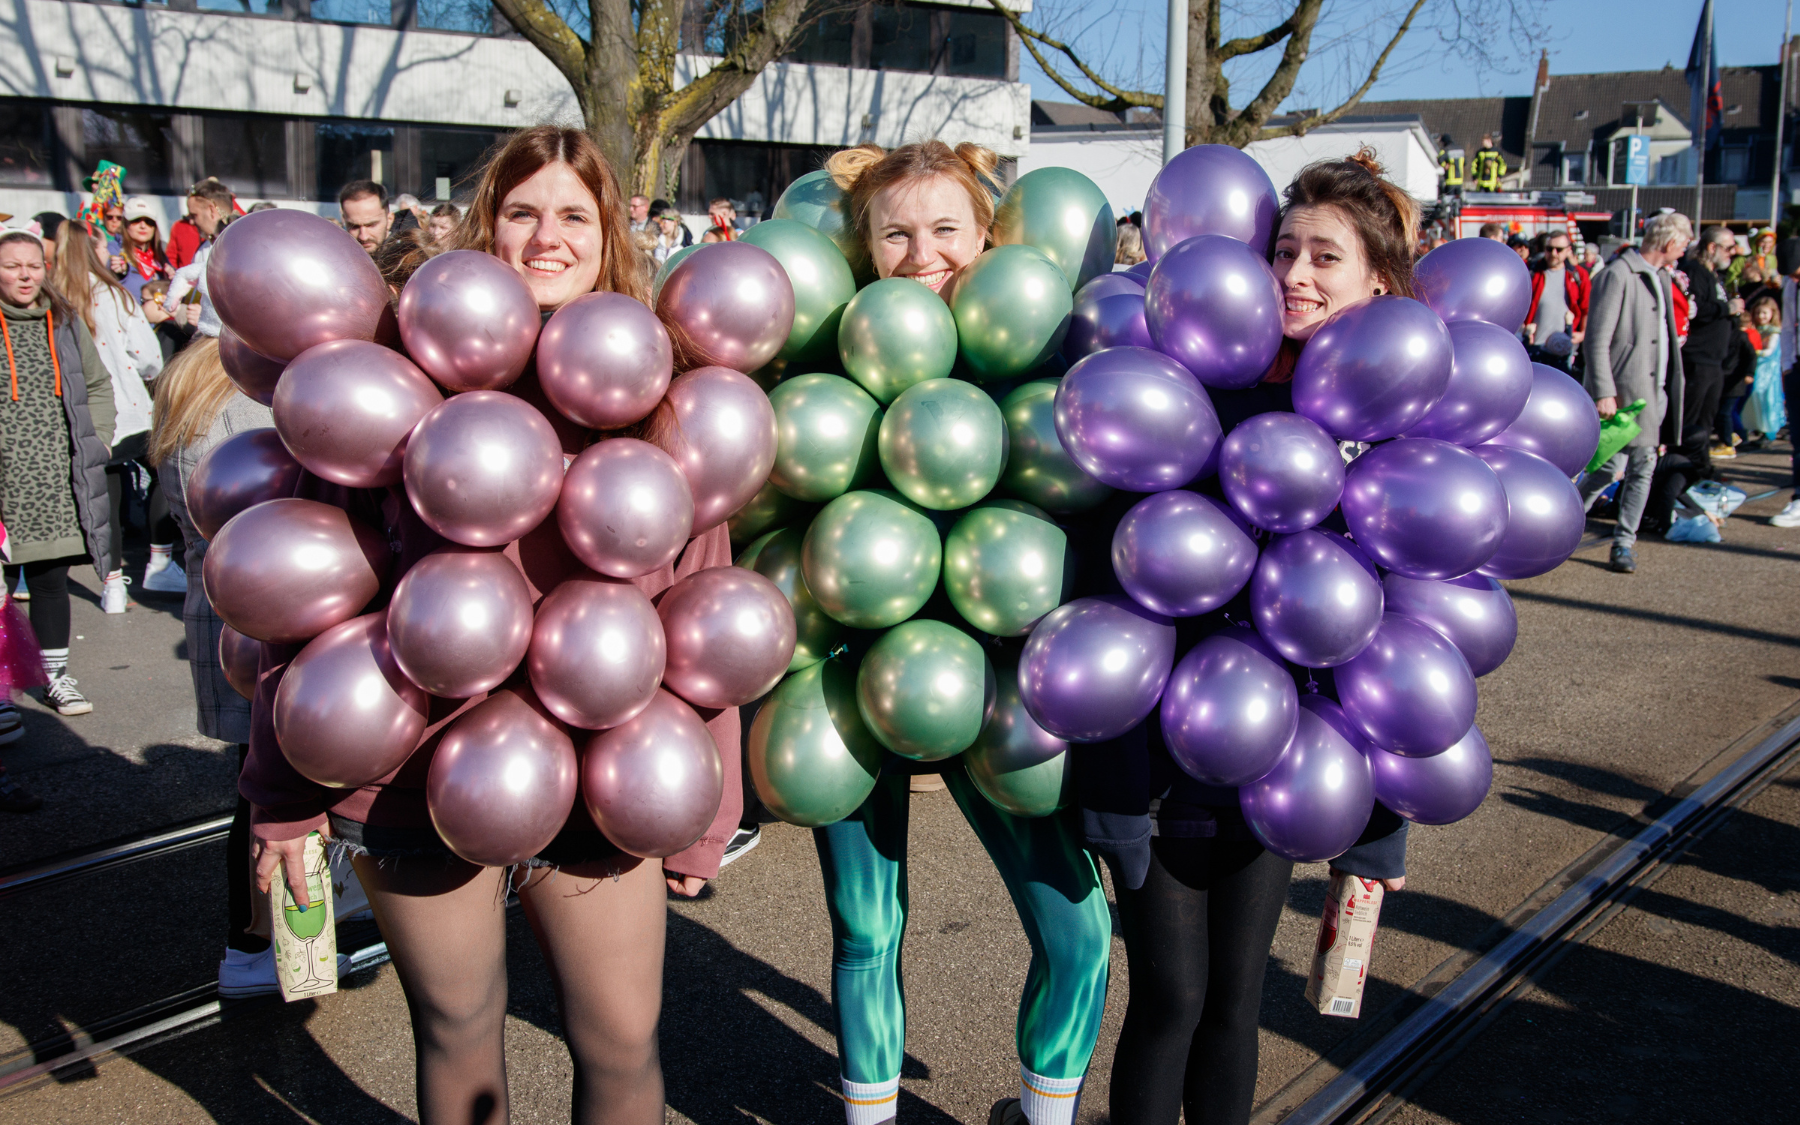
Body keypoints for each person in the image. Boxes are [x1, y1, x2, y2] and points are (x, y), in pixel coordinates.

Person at [247, 124, 739, 1125]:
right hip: (410, 765)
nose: (547, 236)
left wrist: (705, 813)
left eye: (574, 215)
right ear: (489, 225)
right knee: (459, 1031)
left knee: (622, 1041)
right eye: (522, 212)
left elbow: (706, 613)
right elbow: (298, 598)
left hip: (610, 770)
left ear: (610, 235)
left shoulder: (667, 397)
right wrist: (282, 797)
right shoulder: (390, 383)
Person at [1084, 150, 1410, 1125]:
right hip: (1163, 761)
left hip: (1287, 768)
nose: (1295, 274)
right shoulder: (1188, 390)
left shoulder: (1396, 437)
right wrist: (1112, 794)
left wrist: (1381, 829)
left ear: (1378, 285)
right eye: (1284, 249)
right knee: (1171, 998)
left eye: (1325, 257)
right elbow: (1115, 588)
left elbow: (1395, 644)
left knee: (1235, 1002)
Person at [809, 140, 1112, 1125]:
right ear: (863, 244)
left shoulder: (1043, 353)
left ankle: (1043, 1115)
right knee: (866, 929)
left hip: (996, 669)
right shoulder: (821, 353)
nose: (921, 254)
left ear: (989, 235)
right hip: (854, 665)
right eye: (895, 233)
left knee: (1079, 937)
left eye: (946, 229)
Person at [149, 336, 281, 992]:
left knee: (256, 782)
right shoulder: (245, 399)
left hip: (219, 615)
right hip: (257, 619)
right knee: (271, 790)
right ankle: (257, 942)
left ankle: (261, 941)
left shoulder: (190, 384)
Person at [0, 226, 116, 717]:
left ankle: (55, 678)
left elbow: (98, 383)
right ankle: (2, 692)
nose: (25, 275)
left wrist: (99, 441)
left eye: (34, 265)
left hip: (58, 481)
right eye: (12, 266)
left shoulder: (64, 320)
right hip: (6, 484)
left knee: (51, 582)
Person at [51, 221, 172, 613]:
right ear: (92, 249)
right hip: (126, 407)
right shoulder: (114, 294)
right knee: (164, 471)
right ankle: (160, 560)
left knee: (104, 495)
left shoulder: (51, 296)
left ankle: (112, 585)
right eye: (104, 246)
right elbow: (149, 357)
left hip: (78, 411)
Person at [1578, 210, 1690, 573]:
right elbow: (1597, 339)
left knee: (1639, 467)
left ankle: (1623, 542)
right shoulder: (1619, 274)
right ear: (1669, 242)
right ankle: (1570, 519)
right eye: (1684, 242)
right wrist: (1603, 390)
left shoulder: (1661, 276)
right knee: (1609, 467)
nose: (1685, 249)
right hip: (1626, 391)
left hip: (1654, 392)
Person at [1673, 226, 1746, 482]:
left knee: (1706, 421)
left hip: (1714, 360)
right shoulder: (1695, 272)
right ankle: (1682, 470)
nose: (1732, 253)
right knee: (1690, 422)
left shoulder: (1715, 275)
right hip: (1697, 358)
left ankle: (1701, 469)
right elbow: (1695, 310)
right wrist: (1727, 308)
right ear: (1712, 247)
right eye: (1728, 248)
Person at [1525, 229, 1591, 349]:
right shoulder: (1532, 271)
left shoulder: (1579, 275)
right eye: (1549, 249)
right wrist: (1523, 330)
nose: (1554, 253)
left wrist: (1583, 333)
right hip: (1534, 345)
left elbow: (1586, 307)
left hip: (1565, 345)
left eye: (1559, 250)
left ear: (1568, 250)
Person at [116, 196, 171, 303]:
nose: (143, 226)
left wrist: (171, 279)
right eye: (136, 220)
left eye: (148, 221)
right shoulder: (115, 248)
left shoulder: (161, 253)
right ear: (125, 224)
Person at [338, 179, 392, 254]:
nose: (363, 237)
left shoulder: (406, 257)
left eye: (371, 225)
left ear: (389, 220)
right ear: (344, 221)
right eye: (354, 227)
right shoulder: (336, 255)